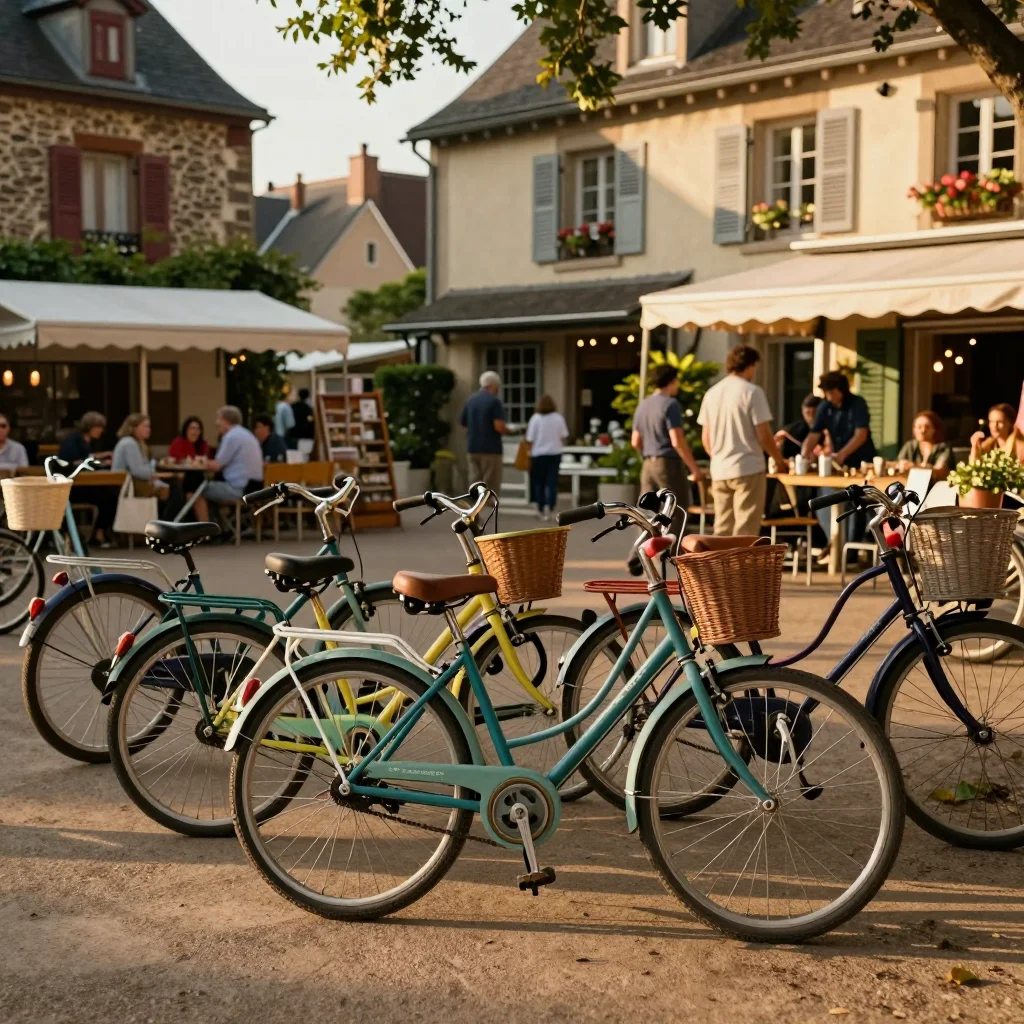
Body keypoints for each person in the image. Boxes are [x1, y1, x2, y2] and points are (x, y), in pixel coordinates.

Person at [697, 345, 786, 537]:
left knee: (722, 527)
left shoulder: (712, 393)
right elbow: (764, 435)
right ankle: (741, 567)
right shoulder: (752, 392)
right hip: (748, 466)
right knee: (746, 528)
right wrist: (779, 460)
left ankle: (720, 566)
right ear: (750, 366)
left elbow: (706, 438)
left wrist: (720, 456)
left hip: (720, 468)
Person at [631, 363, 702, 537]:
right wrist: (694, 468)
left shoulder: (643, 405)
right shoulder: (671, 404)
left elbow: (635, 441)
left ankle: (637, 557)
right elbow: (677, 440)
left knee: (647, 512)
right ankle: (669, 552)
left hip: (648, 463)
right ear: (672, 381)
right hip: (668, 463)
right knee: (676, 509)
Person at [191, 405, 264, 525]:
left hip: (238, 488)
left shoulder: (231, 437)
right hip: (254, 487)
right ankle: (221, 526)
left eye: (218, 419)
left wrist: (198, 462)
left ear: (225, 421)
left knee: (196, 490)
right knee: (210, 489)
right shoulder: (247, 435)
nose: (216, 423)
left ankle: (205, 530)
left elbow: (217, 465)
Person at [801, 371, 877, 470]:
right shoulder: (825, 407)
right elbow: (814, 434)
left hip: (862, 461)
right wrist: (803, 456)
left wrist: (841, 455)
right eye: (826, 393)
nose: (829, 397)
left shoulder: (857, 404)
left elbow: (861, 435)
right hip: (839, 464)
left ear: (842, 390)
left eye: (832, 392)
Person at [112, 414, 174, 520]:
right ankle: (164, 526)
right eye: (145, 426)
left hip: (135, 483)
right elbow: (138, 471)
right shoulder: (129, 443)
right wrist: (155, 474)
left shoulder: (139, 444)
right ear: (134, 428)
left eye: (149, 427)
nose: (148, 430)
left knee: (171, 486)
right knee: (173, 489)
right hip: (126, 486)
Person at [460, 370, 508, 493]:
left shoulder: (470, 400)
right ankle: (489, 509)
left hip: (473, 447)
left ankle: (474, 510)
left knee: (475, 482)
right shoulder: (494, 401)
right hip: (491, 449)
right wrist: (509, 431)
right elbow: (498, 426)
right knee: (490, 484)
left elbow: (464, 424)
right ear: (493, 385)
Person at [525, 395, 568, 520]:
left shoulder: (535, 418)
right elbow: (564, 435)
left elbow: (530, 439)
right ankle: (550, 506)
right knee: (552, 481)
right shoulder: (558, 418)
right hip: (555, 453)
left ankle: (540, 507)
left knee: (539, 482)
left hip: (538, 454)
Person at [897, 410, 952, 479]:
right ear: (914, 429)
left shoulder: (943, 447)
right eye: (919, 427)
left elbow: (940, 471)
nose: (923, 431)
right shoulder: (910, 446)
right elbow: (899, 465)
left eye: (927, 427)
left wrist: (914, 467)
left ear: (935, 429)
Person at [775, 395, 823, 461]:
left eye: (814, 413)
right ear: (802, 411)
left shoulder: (829, 429)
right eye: (808, 413)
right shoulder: (793, 431)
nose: (811, 417)